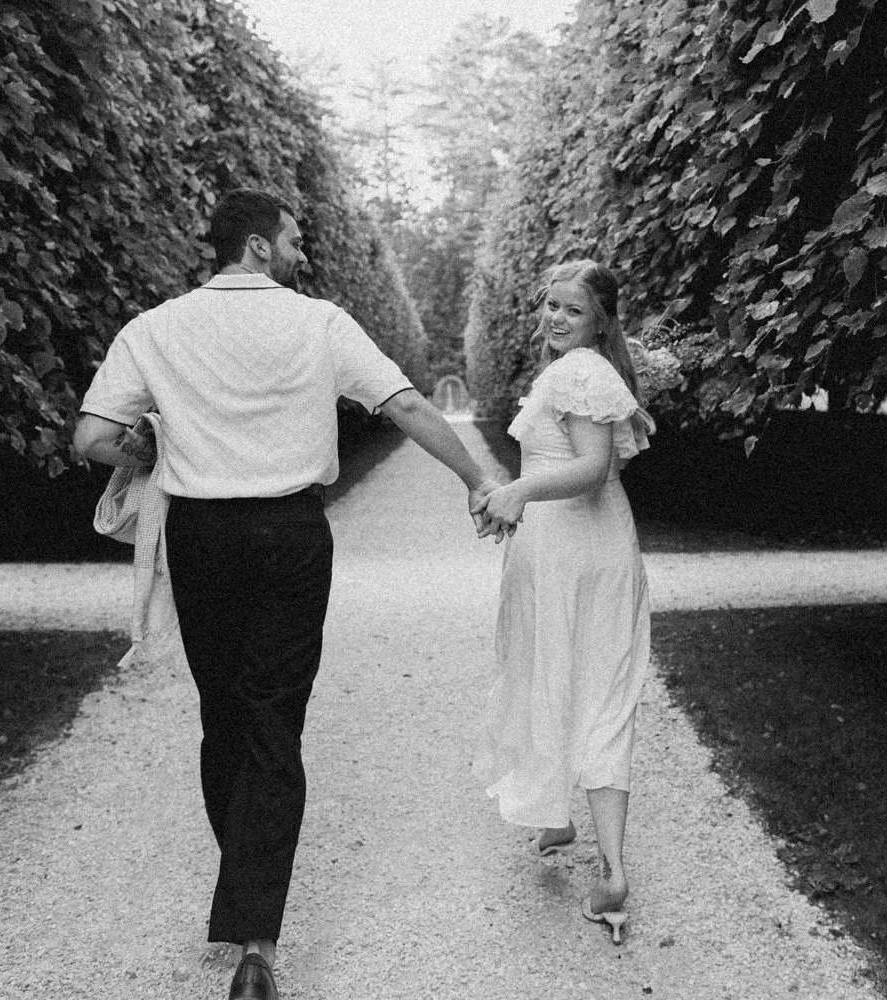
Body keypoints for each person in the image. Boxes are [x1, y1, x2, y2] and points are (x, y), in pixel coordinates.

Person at [73, 188, 502, 1000]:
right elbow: (404, 403)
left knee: (223, 713)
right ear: (261, 247)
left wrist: (147, 440)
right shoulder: (320, 323)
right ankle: (257, 946)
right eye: (296, 239)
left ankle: (245, 899)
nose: (305, 252)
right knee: (276, 716)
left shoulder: (155, 328)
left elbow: (91, 436)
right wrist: (478, 476)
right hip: (293, 537)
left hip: (202, 540)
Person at [471, 259, 655, 946]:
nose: (553, 317)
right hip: (574, 546)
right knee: (574, 683)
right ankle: (565, 825)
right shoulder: (586, 370)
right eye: (549, 304)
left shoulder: (582, 373)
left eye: (570, 310)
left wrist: (517, 494)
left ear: (599, 321)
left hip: (575, 555)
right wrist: (514, 501)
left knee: (577, 684)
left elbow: (591, 470)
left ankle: (608, 867)